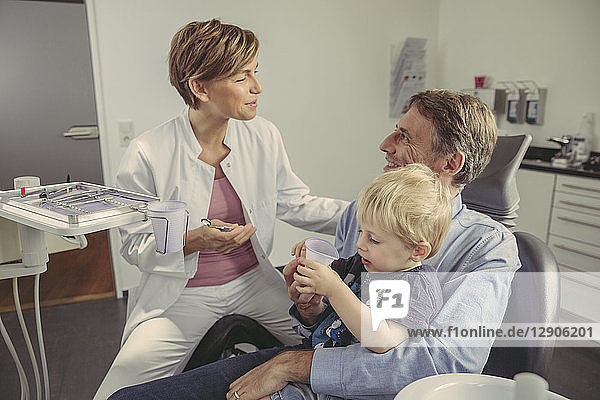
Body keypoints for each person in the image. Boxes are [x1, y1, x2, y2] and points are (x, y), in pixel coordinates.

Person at [108, 89, 520, 400]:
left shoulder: (487, 247)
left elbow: (440, 363)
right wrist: (309, 307)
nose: (384, 144)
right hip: (309, 360)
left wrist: (297, 364)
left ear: (450, 164)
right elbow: (335, 320)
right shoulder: (363, 209)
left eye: (404, 135)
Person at [94, 19, 348, 399]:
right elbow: (134, 247)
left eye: (255, 72)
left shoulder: (263, 135)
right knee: (120, 387)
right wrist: (193, 240)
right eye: (242, 76)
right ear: (199, 86)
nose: (257, 87)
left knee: (337, 345)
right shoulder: (148, 152)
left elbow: (294, 201)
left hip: (253, 282)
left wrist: (368, 213)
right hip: (183, 295)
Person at [291, 163, 451, 356]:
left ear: (417, 251)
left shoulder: (414, 285)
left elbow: (382, 340)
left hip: (343, 377)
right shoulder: (359, 263)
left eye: (373, 239)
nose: (359, 244)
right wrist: (312, 300)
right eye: (361, 232)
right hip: (313, 356)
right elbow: (327, 314)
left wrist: (334, 288)